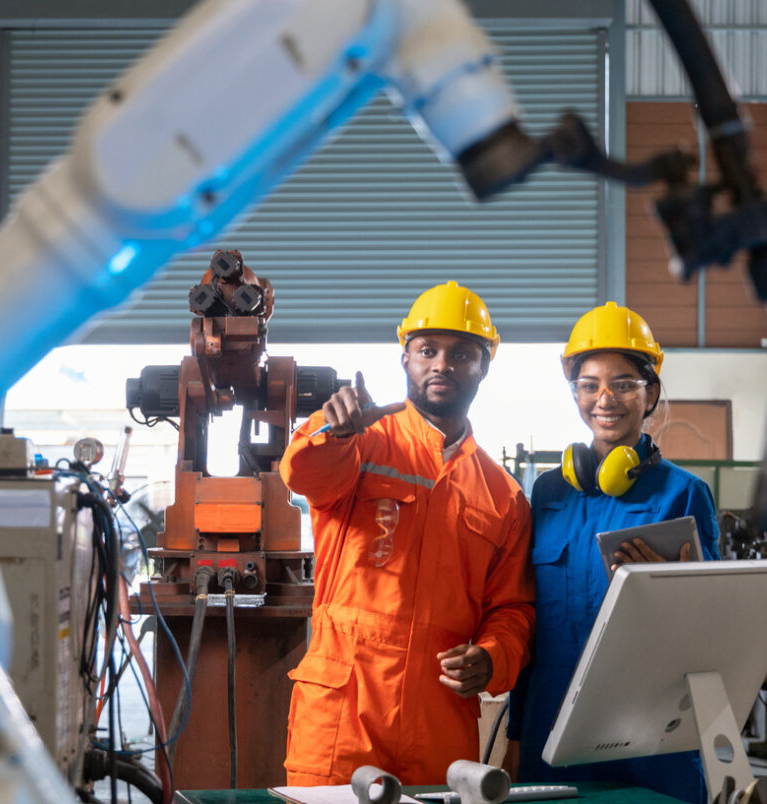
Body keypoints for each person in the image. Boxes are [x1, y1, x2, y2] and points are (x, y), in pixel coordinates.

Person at [280, 281, 536, 785]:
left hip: (439, 719)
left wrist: (492, 657)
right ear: (405, 359)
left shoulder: (503, 495)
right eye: (427, 350)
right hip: (343, 717)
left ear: (484, 366)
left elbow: (512, 608)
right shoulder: (360, 442)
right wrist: (332, 433)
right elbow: (303, 474)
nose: (442, 364)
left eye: (462, 353)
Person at [505, 301, 720, 804]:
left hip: (652, 738)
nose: (606, 398)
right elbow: (530, 618)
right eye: (589, 384)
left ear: (651, 393)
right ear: (575, 392)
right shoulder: (549, 492)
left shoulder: (683, 494)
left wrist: (674, 589)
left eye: (624, 383)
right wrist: (516, 734)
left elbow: (710, 632)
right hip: (553, 728)